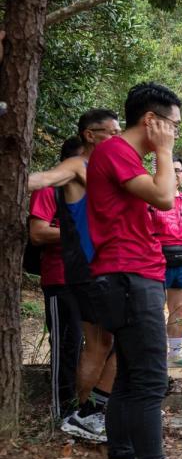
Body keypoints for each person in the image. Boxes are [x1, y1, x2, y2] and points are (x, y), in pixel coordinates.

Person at [87, 82, 182, 459]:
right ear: (151, 120)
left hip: (130, 274)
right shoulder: (117, 151)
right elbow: (163, 195)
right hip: (128, 274)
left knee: (130, 378)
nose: (175, 131)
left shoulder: (119, 155)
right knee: (152, 381)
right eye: (172, 124)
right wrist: (163, 151)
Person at [30, 110, 122, 442]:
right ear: (89, 135)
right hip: (67, 274)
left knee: (102, 342)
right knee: (71, 347)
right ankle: (68, 415)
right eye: (110, 131)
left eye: (119, 130)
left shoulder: (107, 172)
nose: (117, 136)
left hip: (103, 269)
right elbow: (38, 224)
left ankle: (87, 414)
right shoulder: (73, 168)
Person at [28, 146, 83, 425]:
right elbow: (38, 232)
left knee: (90, 344)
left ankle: (85, 408)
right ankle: (62, 410)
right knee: (66, 344)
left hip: (89, 279)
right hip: (60, 279)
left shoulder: (90, 189)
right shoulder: (50, 189)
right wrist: (78, 232)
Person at [151, 156, 182, 368]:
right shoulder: (151, 197)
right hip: (157, 260)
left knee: (178, 309)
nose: (175, 173)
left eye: (179, 170)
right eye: (170, 169)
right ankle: (154, 356)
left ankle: (176, 353)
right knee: (153, 310)